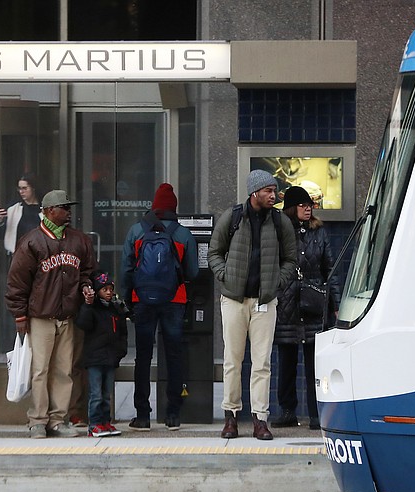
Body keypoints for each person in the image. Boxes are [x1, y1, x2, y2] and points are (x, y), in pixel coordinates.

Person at [208, 170, 297, 440]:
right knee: (232, 361)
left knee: (262, 363)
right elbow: (214, 252)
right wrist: (226, 276)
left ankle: (260, 420)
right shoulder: (233, 217)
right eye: (269, 191)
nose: (274, 196)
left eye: (275, 191)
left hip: (265, 301)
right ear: (254, 192)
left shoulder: (280, 222)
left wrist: (275, 283)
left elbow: (291, 259)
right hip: (234, 300)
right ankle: (231, 417)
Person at [5, 189, 97, 439]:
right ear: (47, 211)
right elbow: (17, 283)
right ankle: (37, 420)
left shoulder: (79, 240)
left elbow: (87, 272)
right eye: (63, 208)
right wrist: (20, 315)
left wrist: (87, 288)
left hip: (67, 315)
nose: (68, 212)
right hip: (40, 316)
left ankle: (57, 420)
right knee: (40, 370)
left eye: (68, 208)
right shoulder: (32, 241)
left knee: (64, 370)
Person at [120, 183, 198, 431]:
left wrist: (127, 299)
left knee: (142, 357)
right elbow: (193, 272)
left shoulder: (136, 231)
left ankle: (142, 415)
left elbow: (126, 270)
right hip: (174, 301)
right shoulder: (183, 234)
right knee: (174, 355)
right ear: (173, 208)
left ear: (154, 207)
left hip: (142, 300)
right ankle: (173, 414)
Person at [268, 186, 340, 431]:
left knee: (313, 363)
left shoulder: (319, 232)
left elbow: (330, 269)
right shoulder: (279, 233)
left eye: (310, 205)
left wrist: (336, 304)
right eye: (302, 205)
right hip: (286, 302)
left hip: (313, 303)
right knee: (286, 361)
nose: (308, 209)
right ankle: (287, 411)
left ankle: (315, 413)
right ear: (291, 208)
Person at [75, 271, 129, 437]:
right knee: (96, 394)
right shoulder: (92, 308)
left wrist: (120, 352)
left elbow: (122, 333)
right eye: (104, 289)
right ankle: (94, 424)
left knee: (106, 394)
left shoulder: (116, 309)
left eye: (110, 289)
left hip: (111, 358)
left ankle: (106, 422)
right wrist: (88, 305)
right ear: (97, 291)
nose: (108, 292)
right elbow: (83, 323)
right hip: (95, 359)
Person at [0, 173, 43, 254]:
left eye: (24, 188)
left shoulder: (45, 210)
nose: (21, 191)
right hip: (16, 257)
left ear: (33, 188)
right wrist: (0, 220)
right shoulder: (13, 209)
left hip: (39, 258)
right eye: (19, 188)